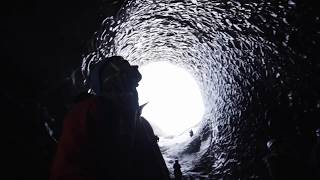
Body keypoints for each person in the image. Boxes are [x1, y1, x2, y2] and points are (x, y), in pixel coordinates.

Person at [50, 56, 170, 180]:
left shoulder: (142, 124)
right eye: (122, 67)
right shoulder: (87, 114)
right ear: (108, 81)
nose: (134, 68)